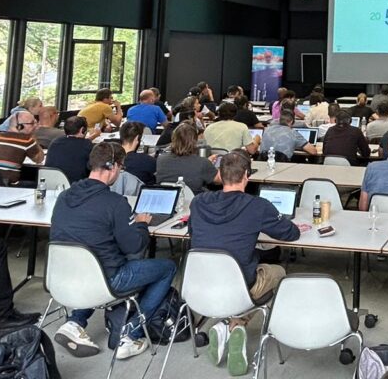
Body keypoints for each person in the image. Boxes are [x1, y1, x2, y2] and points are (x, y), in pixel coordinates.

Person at [50, 143, 177, 360]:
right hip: (107, 280)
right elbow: (134, 246)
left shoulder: (64, 197)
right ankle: (131, 333)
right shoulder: (115, 203)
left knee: (98, 265)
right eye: (122, 167)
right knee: (168, 268)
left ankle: (75, 322)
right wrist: (140, 224)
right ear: (114, 166)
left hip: (63, 276)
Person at [189, 150, 301, 376]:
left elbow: (193, 232)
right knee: (278, 272)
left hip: (198, 285)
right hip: (238, 286)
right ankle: (236, 323)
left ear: (220, 175)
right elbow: (291, 233)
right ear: (247, 176)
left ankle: (226, 326)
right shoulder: (257, 206)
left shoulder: (198, 202)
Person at [0, 109, 44, 183]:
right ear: (19, 127)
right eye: (32, 123)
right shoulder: (26, 140)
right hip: (3, 184)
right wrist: (33, 136)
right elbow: (39, 159)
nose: (36, 126)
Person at [156, 123, 220, 193]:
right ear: (195, 141)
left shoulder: (161, 159)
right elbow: (219, 180)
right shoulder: (202, 163)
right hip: (195, 198)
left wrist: (207, 163)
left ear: (173, 139)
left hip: (168, 197)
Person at [46, 116, 96, 184]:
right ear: (82, 130)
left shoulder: (55, 142)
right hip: (76, 185)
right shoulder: (86, 144)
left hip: (52, 183)